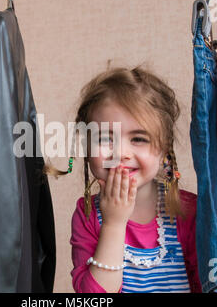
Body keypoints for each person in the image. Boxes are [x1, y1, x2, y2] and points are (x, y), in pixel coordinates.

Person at [44, 66, 201, 293]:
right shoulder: (87, 215)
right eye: (105, 138)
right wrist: (114, 224)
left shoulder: (189, 210)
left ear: (163, 148)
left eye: (138, 138)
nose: (120, 152)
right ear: (86, 148)